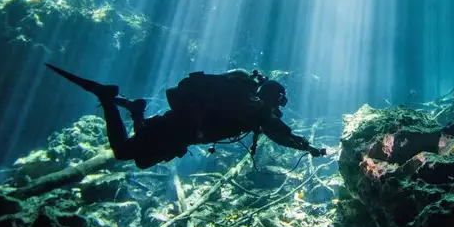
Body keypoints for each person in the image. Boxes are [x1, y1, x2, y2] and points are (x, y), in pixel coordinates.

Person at [45, 63, 326, 169]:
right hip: (178, 131)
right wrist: (309, 147)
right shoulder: (257, 110)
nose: (280, 106)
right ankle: (108, 99)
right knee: (124, 152)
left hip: (178, 128)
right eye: (280, 100)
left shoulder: (248, 102)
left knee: (141, 159)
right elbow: (282, 136)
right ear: (272, 97)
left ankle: (136, 111)